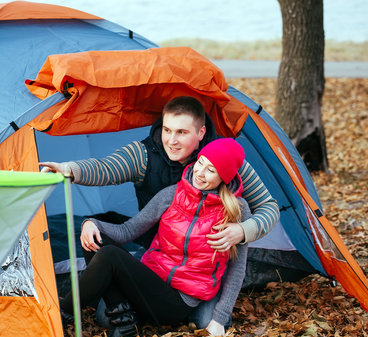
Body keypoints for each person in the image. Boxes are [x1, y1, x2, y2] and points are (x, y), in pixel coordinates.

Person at [60, 138, 250, 337]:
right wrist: (92, 223)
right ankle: (125, 323)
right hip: (152, 279)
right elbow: (128, 230)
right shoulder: (171, 195)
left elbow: (237, 269)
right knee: (96, 240)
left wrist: (220, 318)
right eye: (200, 162)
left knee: (108, 256)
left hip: (179, 300)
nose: (200, 173)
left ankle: (63, 313)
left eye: (211, 170)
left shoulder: (237, 211)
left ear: (224, 177)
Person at [40, 96, 279, 251]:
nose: (171, 141)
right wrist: (69, 169)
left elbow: (268, 206)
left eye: (182, 132)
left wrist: (243, 231)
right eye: (167, 130)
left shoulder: (224, 157)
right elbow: (105, 168)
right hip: (154, 251)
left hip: (203, 263)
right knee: (98, 239)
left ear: (201, 132)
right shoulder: (144, 154)